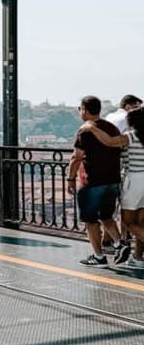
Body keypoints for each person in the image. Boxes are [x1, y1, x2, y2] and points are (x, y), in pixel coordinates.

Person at [80, 106, 144, 268]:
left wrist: (92, 128)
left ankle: (133, 255)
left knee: (129, 222)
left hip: (134, 180)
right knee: (141, 221)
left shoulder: (131, 136)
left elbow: (110, 142)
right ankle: (137, 258)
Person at [67, 96, 123, 266]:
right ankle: (119, 243)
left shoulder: (85, 130)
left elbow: (77, 157)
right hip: (112, 179)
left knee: (90, 220)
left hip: (92, 181)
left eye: (80, 108)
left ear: (84, 109)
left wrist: (70, 178)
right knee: (106, 215)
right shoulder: (112, 128)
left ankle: (99, 256)